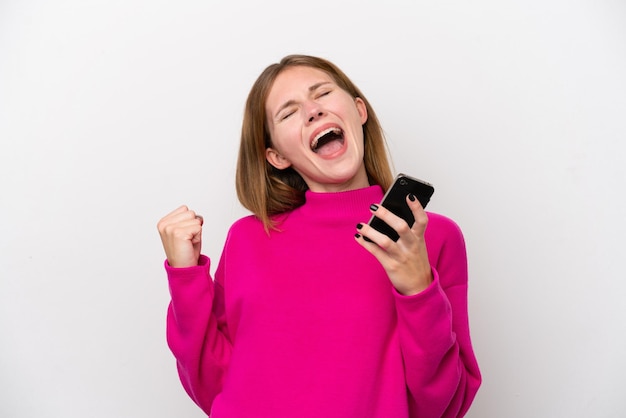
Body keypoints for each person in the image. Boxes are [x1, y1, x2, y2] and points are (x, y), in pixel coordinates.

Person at [157, 54, 481, 418]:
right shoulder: (248, 239)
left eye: (322, 93)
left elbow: (443, 405)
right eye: (288, 112)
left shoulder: (430, 237)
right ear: (276, 155)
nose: (312, 112)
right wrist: (184, 276)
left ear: (359, 110)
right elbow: (211, 383)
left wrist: (418, 288)